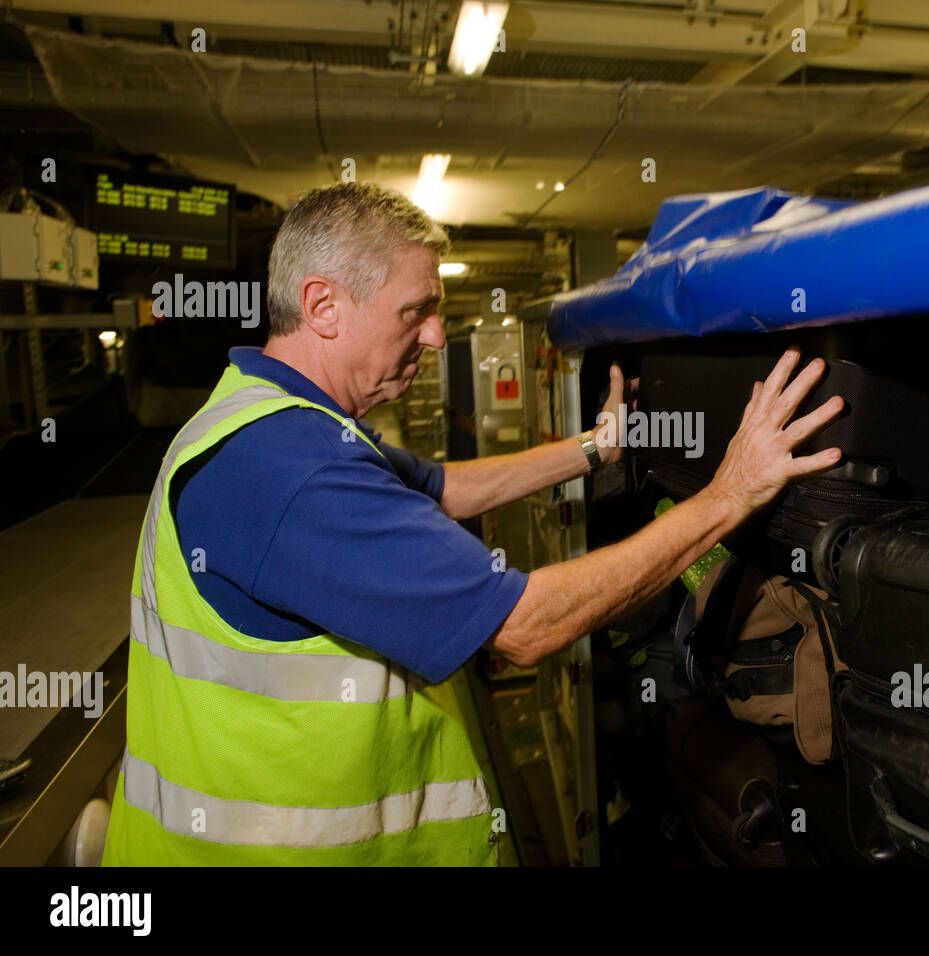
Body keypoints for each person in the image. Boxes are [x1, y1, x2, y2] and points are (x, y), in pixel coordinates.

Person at [102, 181, 843, 866]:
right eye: (414, 311)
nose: (433, 337)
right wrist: (726, 496)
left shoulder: (277, 417)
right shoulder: (294, 470)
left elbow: (444, 487)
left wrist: (593, 449)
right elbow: (526, 626)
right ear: (323, 306)